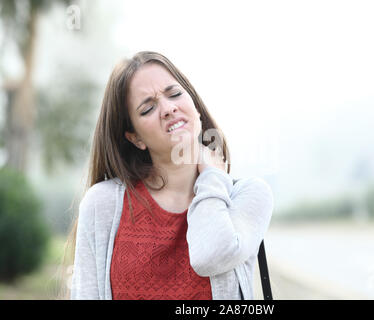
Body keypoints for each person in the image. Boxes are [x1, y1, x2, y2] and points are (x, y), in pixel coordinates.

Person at [69, 51, 274, 300]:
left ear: (195, 106)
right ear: (135, 138)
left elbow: (210, 256)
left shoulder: (248, 196)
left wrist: (211, 176)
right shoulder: (103, 204)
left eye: (175, 94)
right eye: (148, 108)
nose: (168, 108)